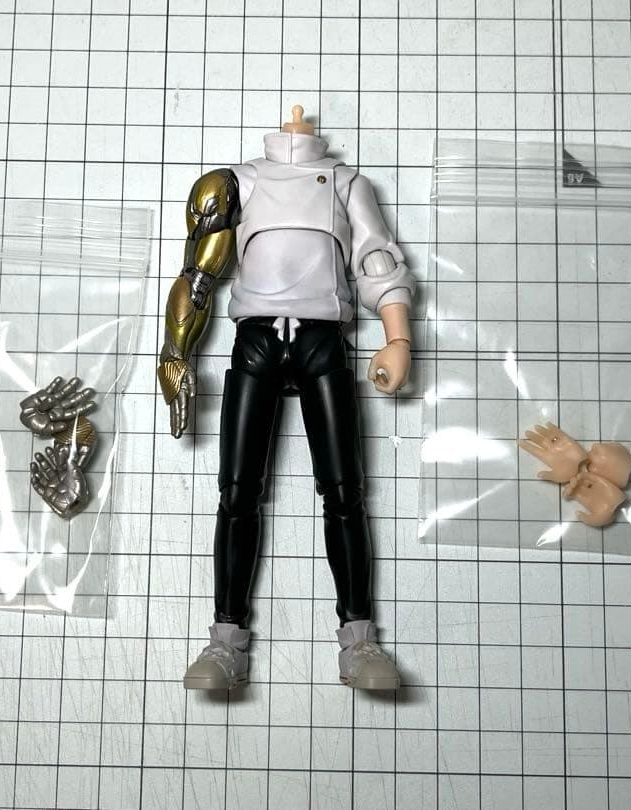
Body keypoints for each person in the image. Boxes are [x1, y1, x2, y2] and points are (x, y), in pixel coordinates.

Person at [157, 105, 415, 691]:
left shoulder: (347, 183)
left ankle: (360, 641)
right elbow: (198, 275)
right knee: (237, 493)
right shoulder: (238, 181)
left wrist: (398, 336)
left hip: (324, 340)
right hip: (257, 341)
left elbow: (376, 259)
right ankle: (225, 641)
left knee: (345, 492)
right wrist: (176, 354)